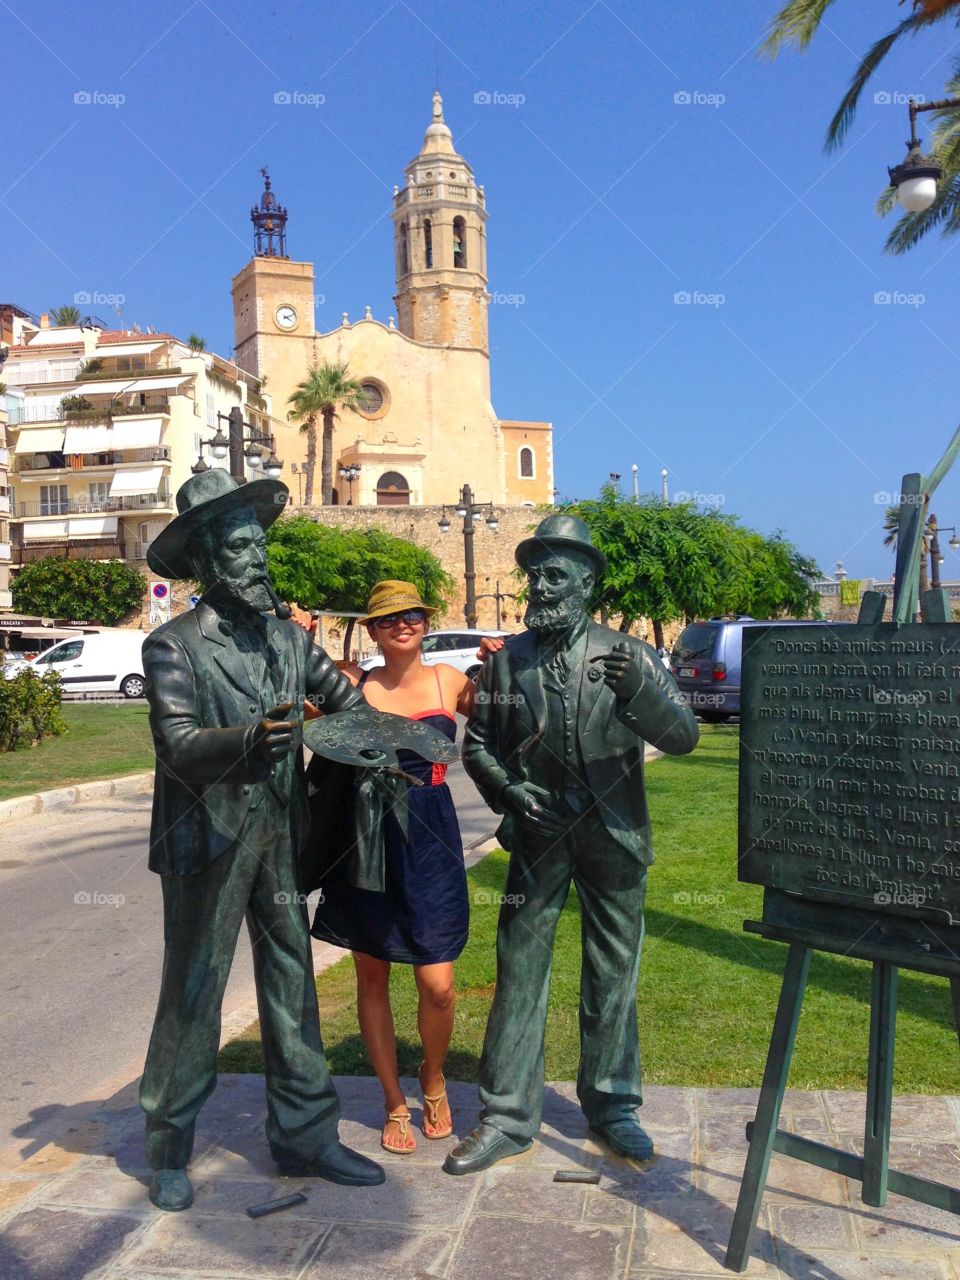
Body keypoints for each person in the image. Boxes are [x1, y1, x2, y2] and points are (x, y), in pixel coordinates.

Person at [139, 468, 384, 1212]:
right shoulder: (172, 647)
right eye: (241, 549)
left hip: (277, 837)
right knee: (194, 989)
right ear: (207, 563)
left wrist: (397, 745)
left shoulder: (288, 639)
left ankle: (307, 1136)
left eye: (258, 546)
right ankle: (169, 1145)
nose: (258, 560)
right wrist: (251, 738)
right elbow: (178, 744)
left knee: (291, 982)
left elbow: (346, 706)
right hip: (205, 841)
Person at [443, 514, 699, 1176]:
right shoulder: (510, 663)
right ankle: (506, 1115)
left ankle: (613, 1106)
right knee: (520, 968)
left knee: (613, 974)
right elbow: (478, 744)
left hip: (613, 834)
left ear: (586, 583)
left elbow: (683, 738)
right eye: (536, 574)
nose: (542, 586)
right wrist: (506, 791)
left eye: (556, 574)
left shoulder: (629, 656)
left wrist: (639, 692)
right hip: (538, 834)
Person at [307, 581, 475, 1156]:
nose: (401, 624)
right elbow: (306, 721)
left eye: (411, 615)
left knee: (439, 983)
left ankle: (432, 1077)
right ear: (374, 631)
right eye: (387, 619)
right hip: (368, 839)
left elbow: (516, 717)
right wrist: (300, 639)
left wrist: (509, 663)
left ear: (425, 623)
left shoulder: (451, 682)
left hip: (431, 836)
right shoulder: (354, 685)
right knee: (372, 975)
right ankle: (393, 1101)